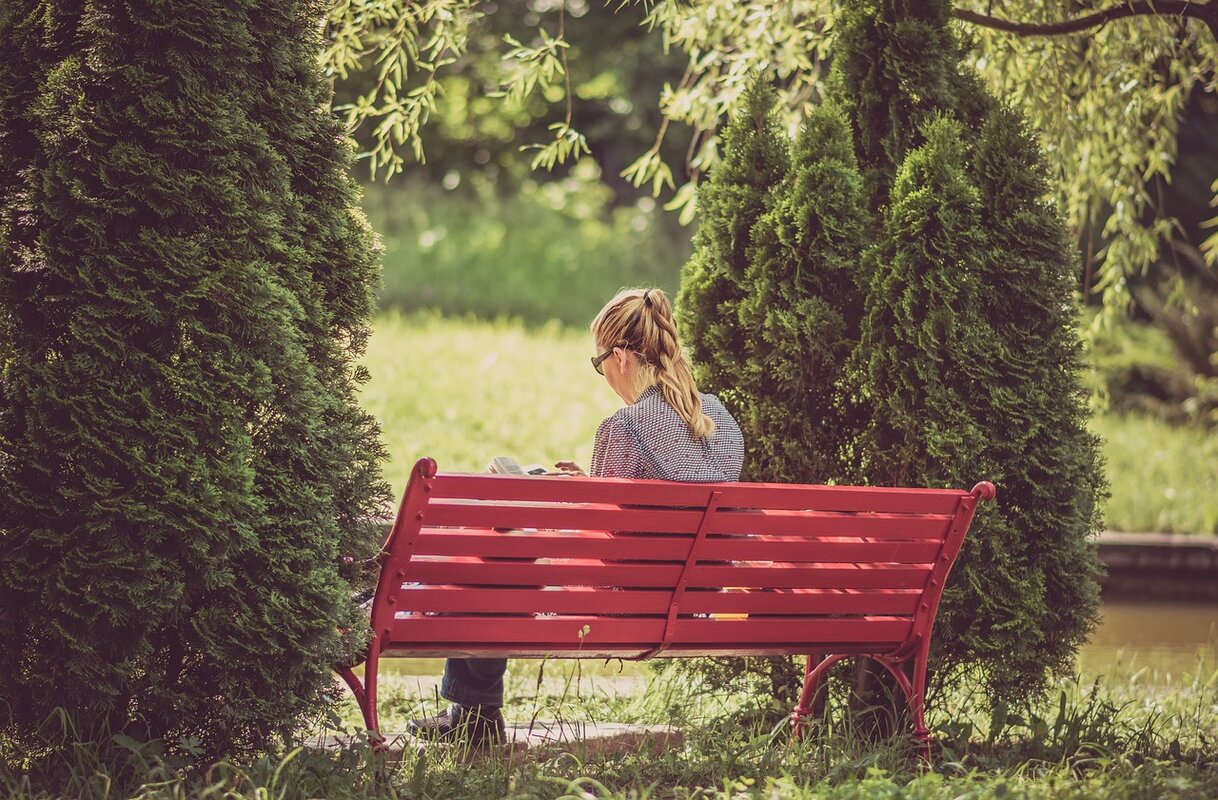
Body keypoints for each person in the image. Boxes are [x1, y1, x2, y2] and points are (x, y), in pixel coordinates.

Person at [407, 287, 745, 746]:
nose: (603, 373)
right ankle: (470, 715)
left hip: (621, 607)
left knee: (500, 557)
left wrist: (550, 507)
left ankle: (473, 716)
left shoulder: (624, 427)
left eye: (599, 360)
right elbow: (653, 509)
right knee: (505, 552)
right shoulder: (720, 420)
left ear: (622, 356)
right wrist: (590, 485)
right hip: (692, 601)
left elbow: (602, 541)